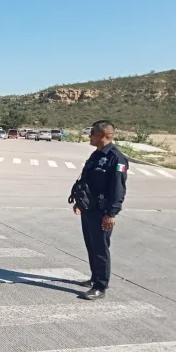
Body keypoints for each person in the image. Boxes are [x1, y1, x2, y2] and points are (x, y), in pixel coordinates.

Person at [72, 120, 127, 301]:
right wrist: (79, 201)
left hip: (103, 212)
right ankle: (94, 277)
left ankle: (101, 286)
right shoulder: (95, 155)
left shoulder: (116, 158)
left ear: (105, 134)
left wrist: (111, 213)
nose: (90, 136)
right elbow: (86, 181)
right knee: (91, 245)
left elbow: (118, 189)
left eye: (93, 132)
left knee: (101, 248)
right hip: (89, 209)